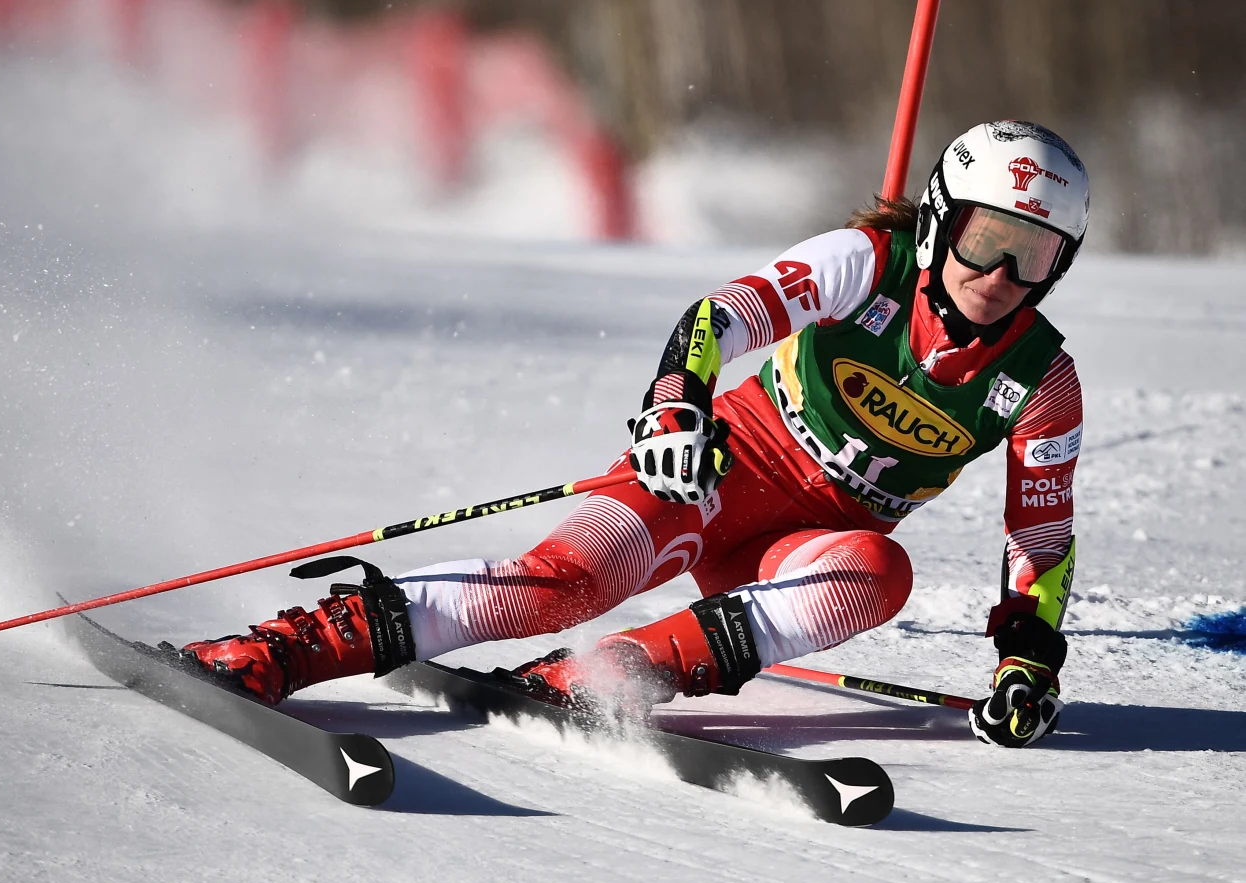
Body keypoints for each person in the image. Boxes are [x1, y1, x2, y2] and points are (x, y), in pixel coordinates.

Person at [182, 120, 1087, 749]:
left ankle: (610, 676)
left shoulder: (1040, 380)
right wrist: (675, 408)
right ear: (939, 218)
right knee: (564, 585)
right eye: (984, 238)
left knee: (877, 575)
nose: (1002, 273)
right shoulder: (867, 264)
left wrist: (1027, 660)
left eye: (1034, 254)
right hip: (714, 471)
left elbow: (1039, 539)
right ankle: (280, 649)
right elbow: (721, 316)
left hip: (794, 547)